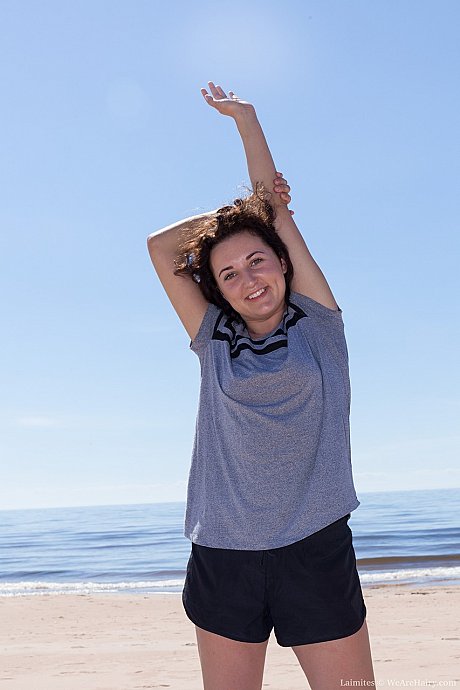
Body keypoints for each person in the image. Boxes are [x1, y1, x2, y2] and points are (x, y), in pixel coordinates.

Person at [147, 82, 375, 690]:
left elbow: (274, 215)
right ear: (217, 291)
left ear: (281, 262)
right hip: (223, 552)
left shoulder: (318, 324)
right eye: (228, 274)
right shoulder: (212, 337)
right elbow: (160, 247)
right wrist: (243, 212)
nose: (248, 279)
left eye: (257, 260)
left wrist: (247, 129)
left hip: (314, 547)